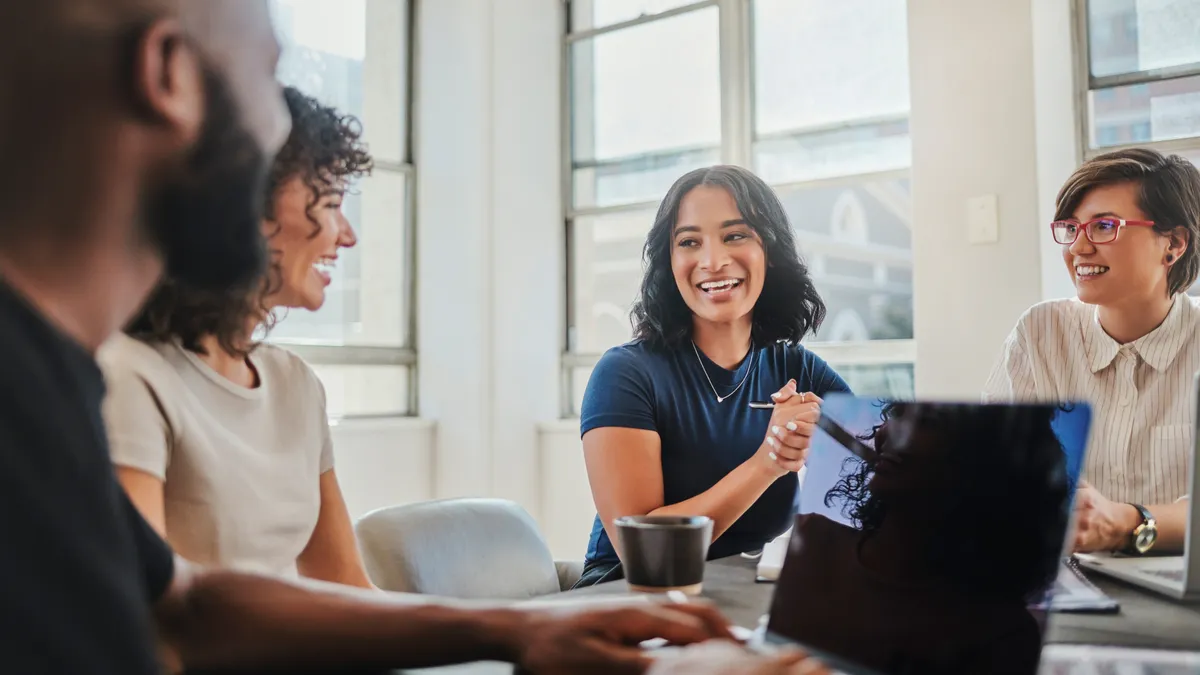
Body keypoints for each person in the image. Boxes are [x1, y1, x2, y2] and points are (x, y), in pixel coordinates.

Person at [0, 2, 828, 673]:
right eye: (266, 76)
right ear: (170, 74)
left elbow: (183, 600)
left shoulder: (57, 373)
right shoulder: (92, 381)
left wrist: (515, 632)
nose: (346, 233)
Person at [99, 86, 373, 588]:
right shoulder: (129, 376)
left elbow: (348, 583)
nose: (347, 234)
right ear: (250, 204)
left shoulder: (296, 383)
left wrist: (494, 634)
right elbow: (154, 614)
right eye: (331, 201)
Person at [577, 165, 851, 588]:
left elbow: (887, 478)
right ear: (669, 262)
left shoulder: (798, 369)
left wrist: (839, 457)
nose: (713, 261)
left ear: (770, 250)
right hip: (632, 594)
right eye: (689, 242)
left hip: (746, 592)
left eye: (735, 235)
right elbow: (644, 549)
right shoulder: (625, 374)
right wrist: (770, 461)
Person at [984, 148, 1200, 555]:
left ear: (1173, 244)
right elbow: (993, 469)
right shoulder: (1040, 334)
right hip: (1060, 584)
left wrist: (1126, 523)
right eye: (1071, 228)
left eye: (1104, 226)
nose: (1078, 248)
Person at [769, 402, 1073, 675]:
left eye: (929, 421)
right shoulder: (808, 541)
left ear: (987, 463)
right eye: (899, 413)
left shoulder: (1000, 634)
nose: (891, 432)